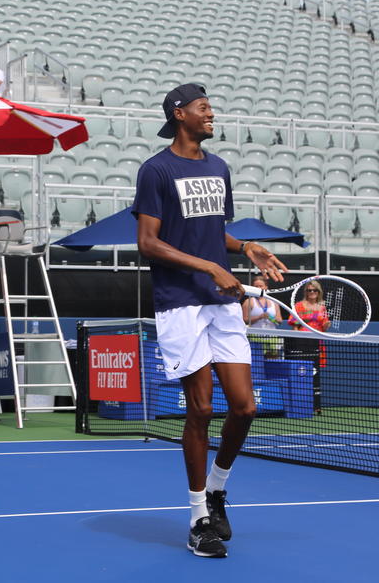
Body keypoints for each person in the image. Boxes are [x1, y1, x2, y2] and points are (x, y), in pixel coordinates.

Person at [133, 83, 287, 558]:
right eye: (203, 108)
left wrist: (244, 249)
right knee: (199, 409)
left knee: (244, 407)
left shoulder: (218, 169)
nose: (211, 114)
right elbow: (148, 243)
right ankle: (198, 516)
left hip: (221, 303)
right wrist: (209, 267)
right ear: (180, 115)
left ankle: (219, 488)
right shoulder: (155, 170)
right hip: (180, 302)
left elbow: (212, 231)